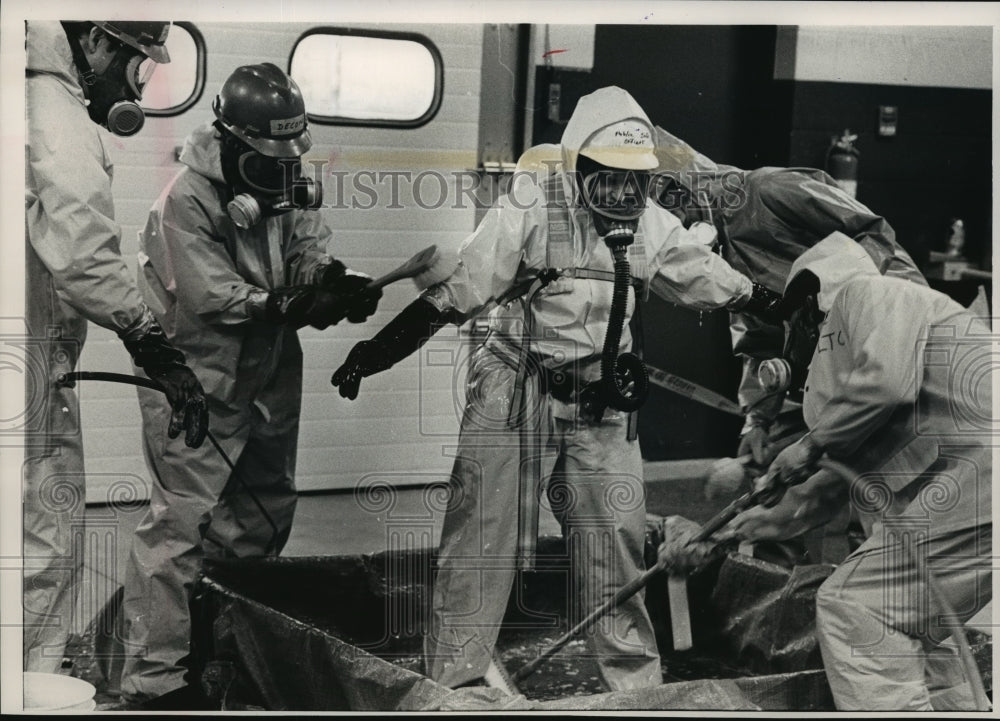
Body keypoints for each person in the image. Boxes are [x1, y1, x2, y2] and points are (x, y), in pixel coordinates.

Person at [332, 86, 777, 691]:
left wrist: (777, 304)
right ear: (578, 171)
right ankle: (453, 687)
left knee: (614, 546)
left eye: (634, 183)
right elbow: (459, 289)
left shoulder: (650, 226)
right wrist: (378, 351)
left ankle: (637, 690)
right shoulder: (532, 206)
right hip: (517, 384)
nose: (621, 197)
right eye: (607, 181)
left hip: (600, 395)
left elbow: (709, 277)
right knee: (482, 541)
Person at [120, 63, 382, 709]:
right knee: (179, 526)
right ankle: (156, 682)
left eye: (291, 158)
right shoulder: (185, 200)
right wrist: (289, 305)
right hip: (195, 379)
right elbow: (212, 297)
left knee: (260, 516)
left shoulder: (285, 188)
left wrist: (329, 282)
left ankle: (231, 648)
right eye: (268, 159)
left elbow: (306, 254)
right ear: (232, 143)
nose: (283, 173)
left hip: (265, 377)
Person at [662, 233, 992, 710]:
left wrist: (808, 445)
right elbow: (822, 495)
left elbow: (885, 385)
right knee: (918, 631)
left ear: (811, 303)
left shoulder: (870, 295)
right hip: (971, 492)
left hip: (980, 477)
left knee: (853, 608)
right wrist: (723, 535)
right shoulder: (857, 387)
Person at [24, 20, 208, 675]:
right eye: (139, 64)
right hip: (23, 376)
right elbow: (84, 257)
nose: (140, 83)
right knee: (40, 545)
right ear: (97, 44)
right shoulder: (57, 118)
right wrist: (158, 351)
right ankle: (29, 687)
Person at [651, 128, 926, 473]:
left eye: (668, 223)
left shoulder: (768, 190)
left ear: (678, 190)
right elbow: (759, 338)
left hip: (896, 328)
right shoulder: (721, 252)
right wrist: (758, 420)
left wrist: (852, 308)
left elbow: (872, 232)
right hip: (843, 359)